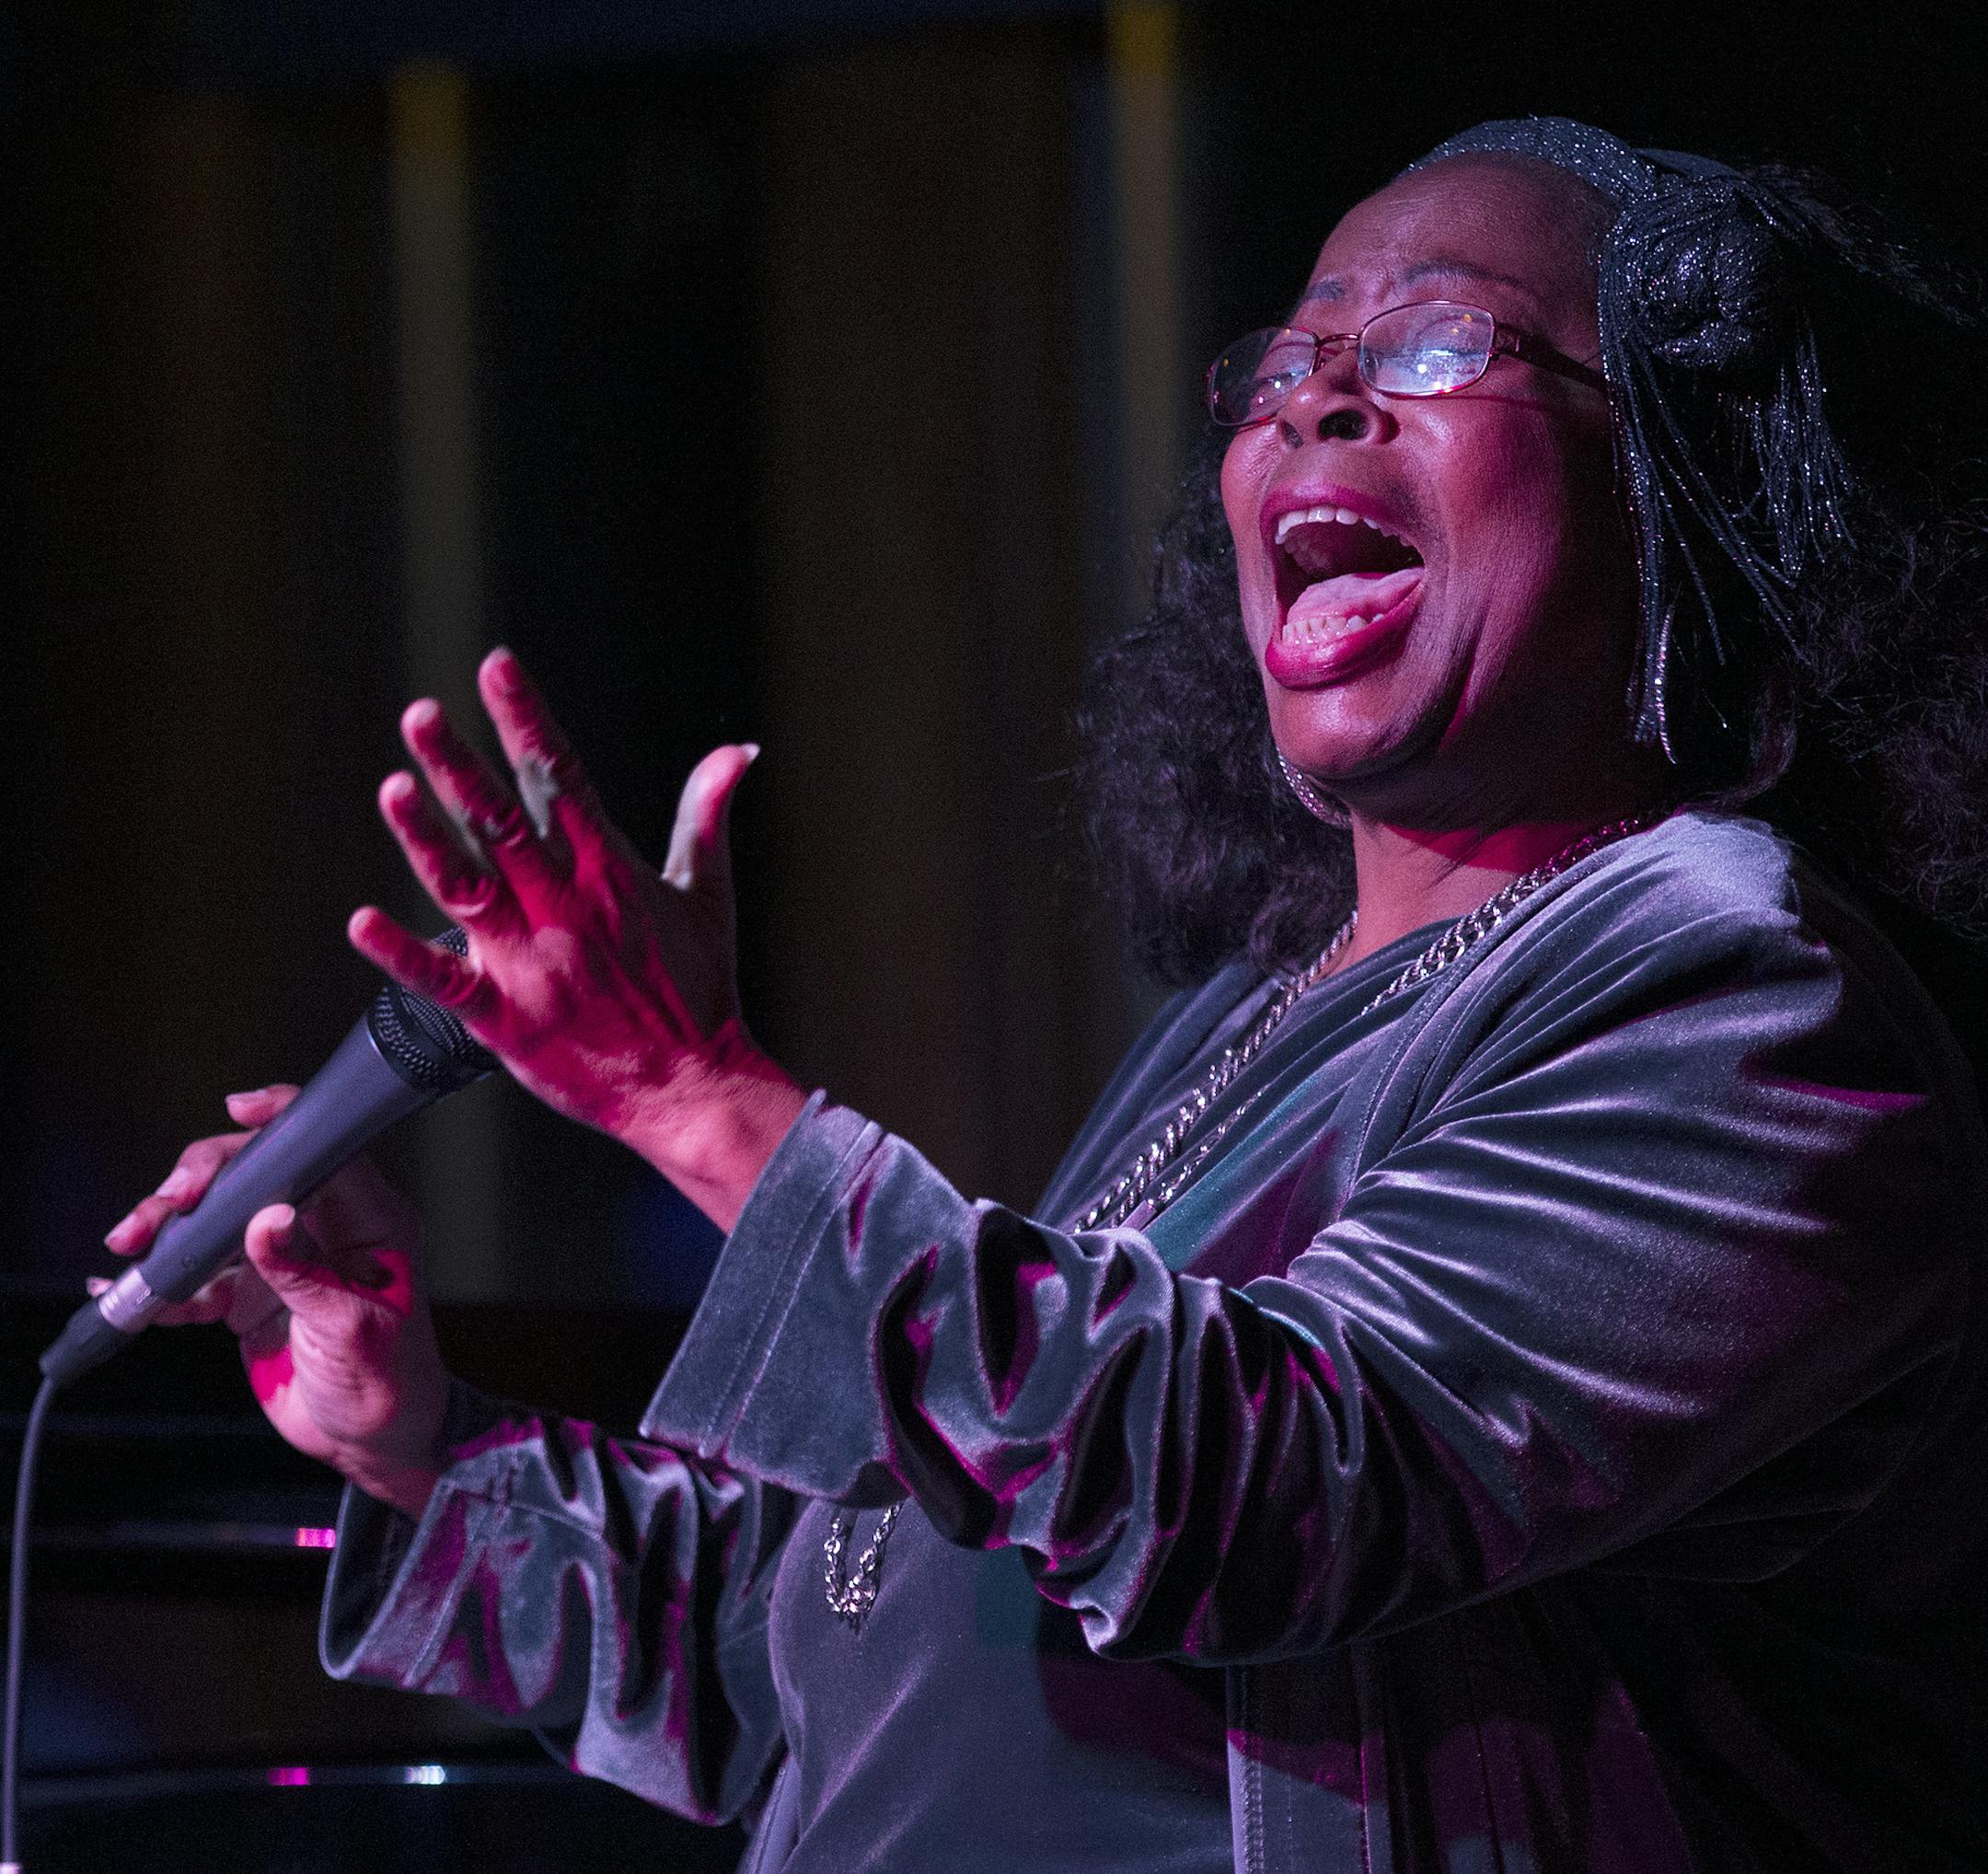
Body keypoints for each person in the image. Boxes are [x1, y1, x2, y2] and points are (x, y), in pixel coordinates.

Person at [106, 120, 1988, 1872]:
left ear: (1675, 476)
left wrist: (695, 1098)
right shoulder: (1252, 1016)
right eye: (1289, 362)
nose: (1317, 398)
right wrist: (417, 1440)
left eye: (1439, 343)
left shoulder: (1749, 997)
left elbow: (1264, 1490)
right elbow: (826, 1655)